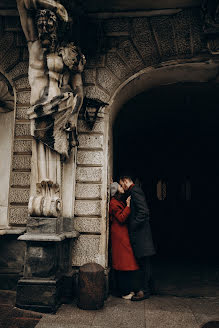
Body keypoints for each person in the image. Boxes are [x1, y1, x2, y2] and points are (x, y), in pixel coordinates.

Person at [119, 176, 156, 301]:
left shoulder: (135, 191)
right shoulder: (133, 191)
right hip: (141, 236)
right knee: (144, 263)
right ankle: (146, 289)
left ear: (125, 181)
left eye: (121, 184)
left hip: (141, 236)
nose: (122, 187)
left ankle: (144, 291)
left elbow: (144, 212)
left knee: (144, 264)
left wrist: (132, 226)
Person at [109, 182, 140, 299]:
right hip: (119, 236)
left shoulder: (117, 201)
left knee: (126, 263)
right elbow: (121, 218)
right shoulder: (113, 203)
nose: (122, 187)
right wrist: (127, 206)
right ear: (116, 191)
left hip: (122, 234)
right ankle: (124, 292)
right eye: (120, 187)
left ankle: (127, 290)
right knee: (123, 264)